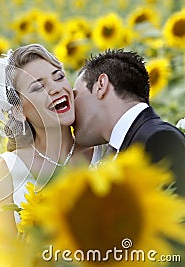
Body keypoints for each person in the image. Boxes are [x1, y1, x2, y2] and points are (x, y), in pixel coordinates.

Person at [0, 44, 91, 236]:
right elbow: (2, 252)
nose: (56, 89)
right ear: (19, 111)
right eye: (38, 87)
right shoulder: (5, 170)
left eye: (59, 77)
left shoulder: (105, 148)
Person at [73, 48, 185, 196]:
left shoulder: (158, 139)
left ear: (101, 85)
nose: (72, 109)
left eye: (75, 95)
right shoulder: (133, 143)